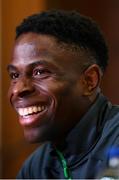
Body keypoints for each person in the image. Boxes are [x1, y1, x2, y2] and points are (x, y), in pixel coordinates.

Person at [7, 9, 119, 179]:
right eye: (15, 75)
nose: (17, 89)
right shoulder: (35, 168)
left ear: (89, 81)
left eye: (39, 72)